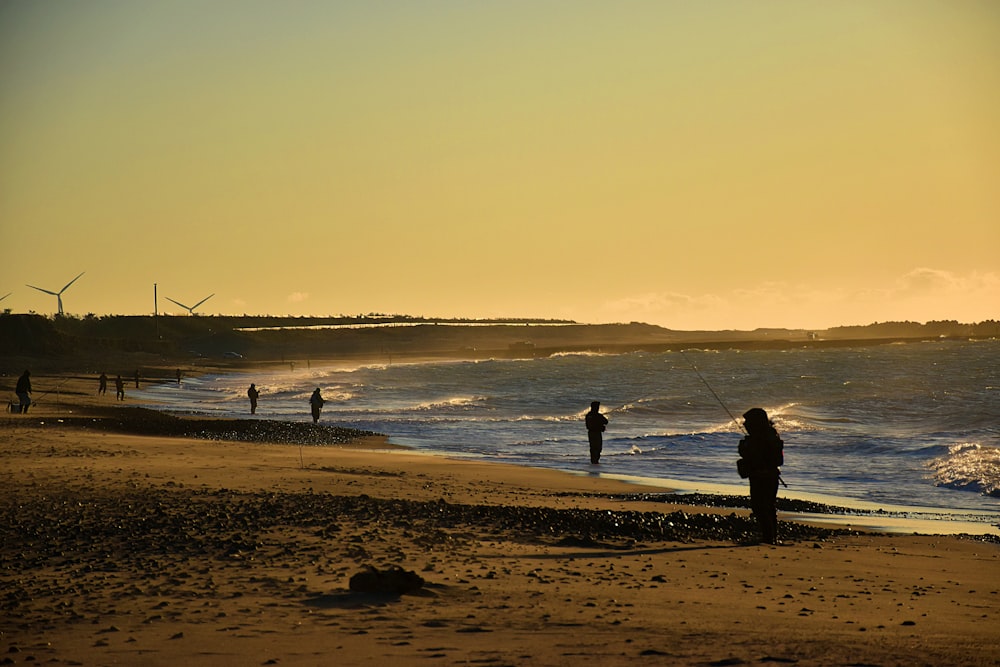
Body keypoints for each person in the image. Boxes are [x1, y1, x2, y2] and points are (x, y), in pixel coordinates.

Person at [737, 408, 784, 545]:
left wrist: (746, 447)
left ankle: (768, 538)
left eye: (748, 421)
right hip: (767, 475)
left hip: (763, 476)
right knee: (767, 506)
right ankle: (770, 537)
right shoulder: (769, 435)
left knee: (761, 506)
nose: (745, 424)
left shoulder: (762, 438)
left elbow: (751, 455)